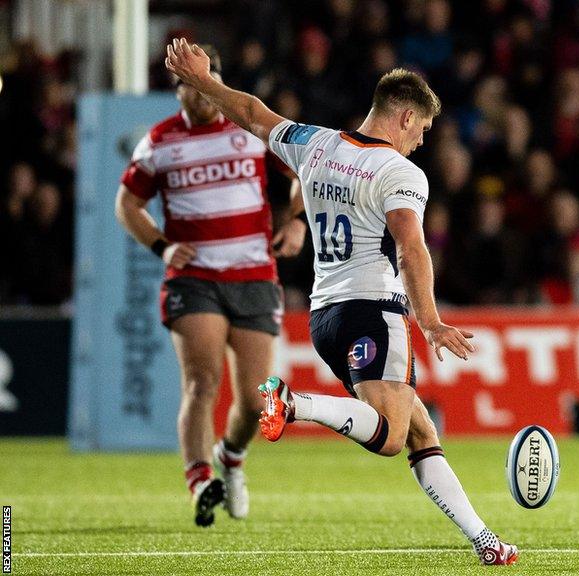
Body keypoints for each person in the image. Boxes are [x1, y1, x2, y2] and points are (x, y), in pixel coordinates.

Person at [165, 38, 518, 565]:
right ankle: (294, 403)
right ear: (402, 117)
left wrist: (202, 82)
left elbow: (251, 114)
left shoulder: (316, 144)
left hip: (325, 318)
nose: (421, 142)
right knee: (394, 436)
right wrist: (431, 320)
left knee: (421, 429)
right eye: (420, 129)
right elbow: (411, 246)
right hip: (375, 311)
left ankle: (485, 542)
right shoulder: (400, 173)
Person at [115, 44, 306, 527]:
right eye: (186, 85)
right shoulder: (159, 142)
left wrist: (298, 219)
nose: (196, 95)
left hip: (254, 274)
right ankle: (201, 479)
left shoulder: (248, 130)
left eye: (204, 83)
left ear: (215, 84)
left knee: (258, 398)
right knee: (201, 383)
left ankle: (232, 458)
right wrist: (161, 248)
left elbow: (303, 165)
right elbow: (126, 204)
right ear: (178, 92)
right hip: (195, 278)